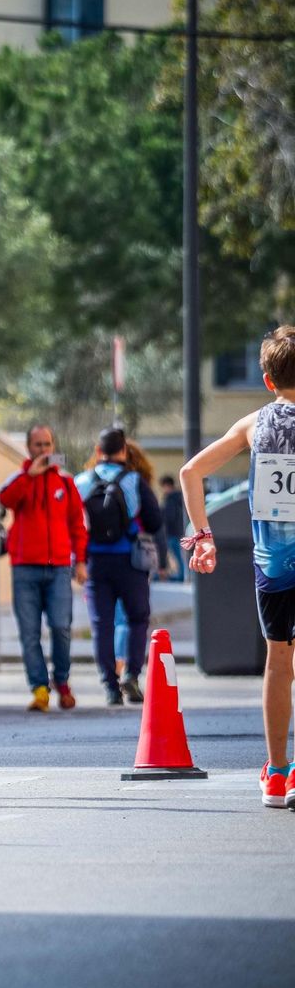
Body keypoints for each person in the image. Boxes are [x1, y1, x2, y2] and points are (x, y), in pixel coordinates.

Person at [178, 325, 295, 809]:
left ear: (267, 380)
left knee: (278, 662)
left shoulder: (253, 424)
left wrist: (203, 537)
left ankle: (277, 774)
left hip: (274, 566)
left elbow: (190, 471)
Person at [0, 424, 87, 712]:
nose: (43, 450)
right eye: (37, 445)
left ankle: (62, 681)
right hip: (25, 568)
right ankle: (39, 688)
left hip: (58, 568)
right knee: (29, 632)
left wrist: (81, 561)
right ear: (29, 448)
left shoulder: (66, 483)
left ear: (53, 446)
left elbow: (77, 525)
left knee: (61, 627)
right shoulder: (20, 479)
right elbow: (5, 499)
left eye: (47, 444)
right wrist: (30, 475)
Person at [75, 426, 163, 707]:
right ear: (123, 451)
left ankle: (109, 686)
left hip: (95, 563)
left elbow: (73, 524)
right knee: (137, 618)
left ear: (98, 451)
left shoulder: (81, 481)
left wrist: (78, 561)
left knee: (102, 625)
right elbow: (155, 521)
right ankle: (131, 675)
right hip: (130, 562)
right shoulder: (134, 480)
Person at [160, 474, 187, 583]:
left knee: (177, 554)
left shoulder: (171, 498)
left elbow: (169, 515)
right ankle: (181, 574)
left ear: (167, 485)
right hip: (177, 530)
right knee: (178, 554)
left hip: (171, 531)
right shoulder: (178, 497)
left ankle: (181, 575)